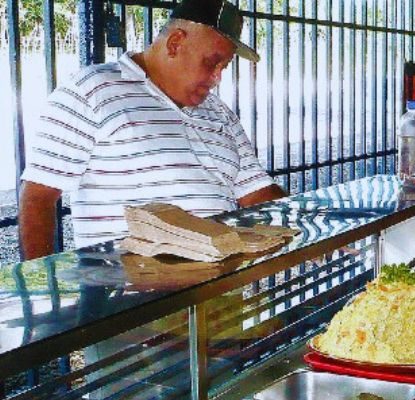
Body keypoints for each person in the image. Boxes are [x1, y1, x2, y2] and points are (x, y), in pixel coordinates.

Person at [18, 0, 285, 261]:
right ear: (175, 43)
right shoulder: (90, 92)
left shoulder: (220, 113)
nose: (217, 79)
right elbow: (38, 197)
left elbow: (258, 193)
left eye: (223, 67)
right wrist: (41, 280)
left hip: (222, 282)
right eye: (211, 63)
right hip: (127, 287)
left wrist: (305, 221)